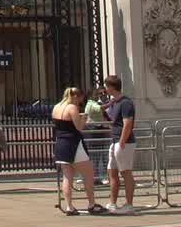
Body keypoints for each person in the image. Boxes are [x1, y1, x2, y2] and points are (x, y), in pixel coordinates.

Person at [51, 87, 103, 215]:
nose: (80, 102)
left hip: (60, 143)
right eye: (80, 99)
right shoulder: (72, 108)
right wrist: (84, 118)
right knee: (88, 174)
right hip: (74, 143)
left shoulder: (57, 107)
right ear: (76, 97)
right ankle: (91, 204)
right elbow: (79, 127)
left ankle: (69, 206)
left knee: (67, 176)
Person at [103, 74, 139, 214]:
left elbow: (127, 124)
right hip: (115, 141)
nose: (105, 89)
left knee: (126, 173)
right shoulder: (115, 102)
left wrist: (122, 142)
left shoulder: (126, 103)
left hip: (123, 142)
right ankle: (112, 203)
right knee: (112, 172)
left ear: (112, 87)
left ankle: (129, 205)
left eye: (106, 86)